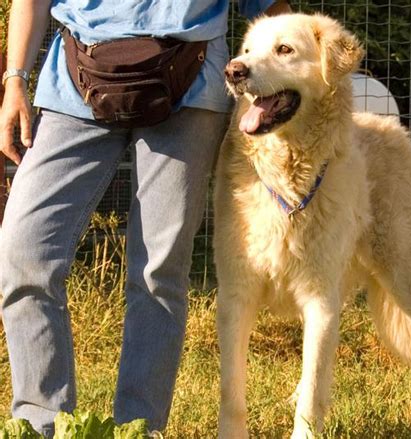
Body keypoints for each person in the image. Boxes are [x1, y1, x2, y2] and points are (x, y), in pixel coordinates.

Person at [0, 0, 290, 436]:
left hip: (188, 84)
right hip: (75, 81)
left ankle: (138, 429)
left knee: (158, 269)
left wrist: (308, 82)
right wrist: (15, 80)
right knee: (24, 250)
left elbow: (273, 12)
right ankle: (39, 424)